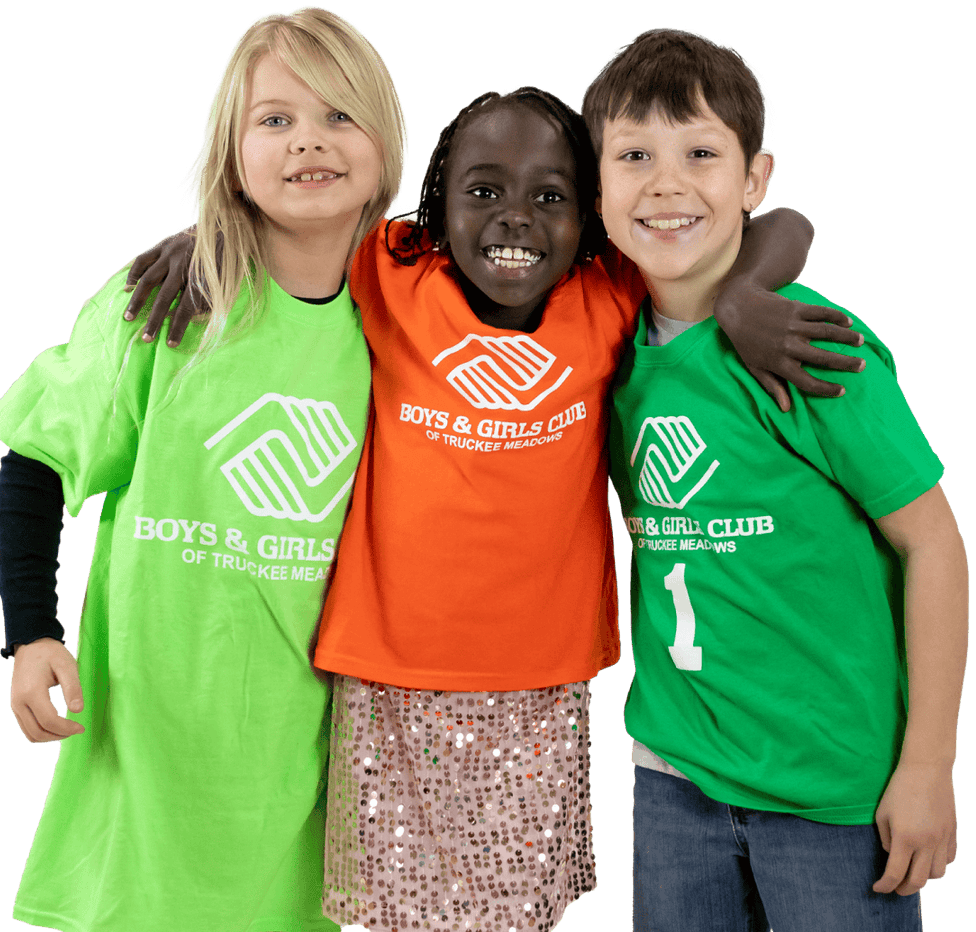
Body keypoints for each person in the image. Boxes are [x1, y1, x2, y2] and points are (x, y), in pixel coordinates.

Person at [125, 69, 870, 926]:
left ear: (590, 215)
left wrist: (743, 295)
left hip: (538, 689)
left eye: (550, 195)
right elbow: (302, 225)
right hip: (389, 680)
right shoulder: (391, 271)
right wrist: (217, 240)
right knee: (394, 914)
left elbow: (785, 222)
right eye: (483, 191)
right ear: (435, 210)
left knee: (510, 915)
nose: (515, 217)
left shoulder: (609, 294)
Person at [0, 7, 406, 932]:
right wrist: (31, 631)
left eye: (341, 115)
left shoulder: (411, 320)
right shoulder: (166, 306)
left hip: (320, 772)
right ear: (230, 149)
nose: (310, 142)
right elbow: (38, 458)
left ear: (386, 141)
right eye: (276, 119)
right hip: (150, 755)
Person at [594, 27, 969, 932]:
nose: (667, 182)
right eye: (634, 155)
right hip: (671, 779)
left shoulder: (812, 349)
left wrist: (927, 766)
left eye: (701, 153)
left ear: (754, 179)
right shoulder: (604, 344)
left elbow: (935, 545)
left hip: (832, 787)